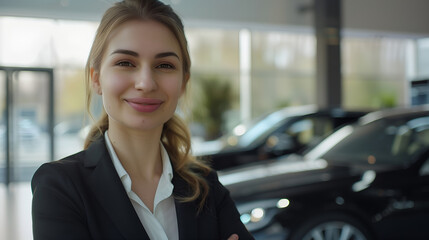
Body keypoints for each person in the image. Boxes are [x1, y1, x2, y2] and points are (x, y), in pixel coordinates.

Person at [31, 0, 254, 239]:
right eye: (125, 63)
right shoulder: (60, 187)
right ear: (96, 79)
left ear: (183, 83)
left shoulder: (205, 186)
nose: (146, 83)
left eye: (165, 65)